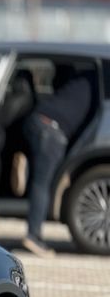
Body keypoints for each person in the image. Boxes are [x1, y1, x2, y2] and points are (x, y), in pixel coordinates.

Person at [21, 67, 95, 257]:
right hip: (53, 130)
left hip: (39, 118)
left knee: (41, 175)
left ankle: (27, 168)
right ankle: (33, 236)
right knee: (43, 183)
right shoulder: (101, 76)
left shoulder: (83, 73)